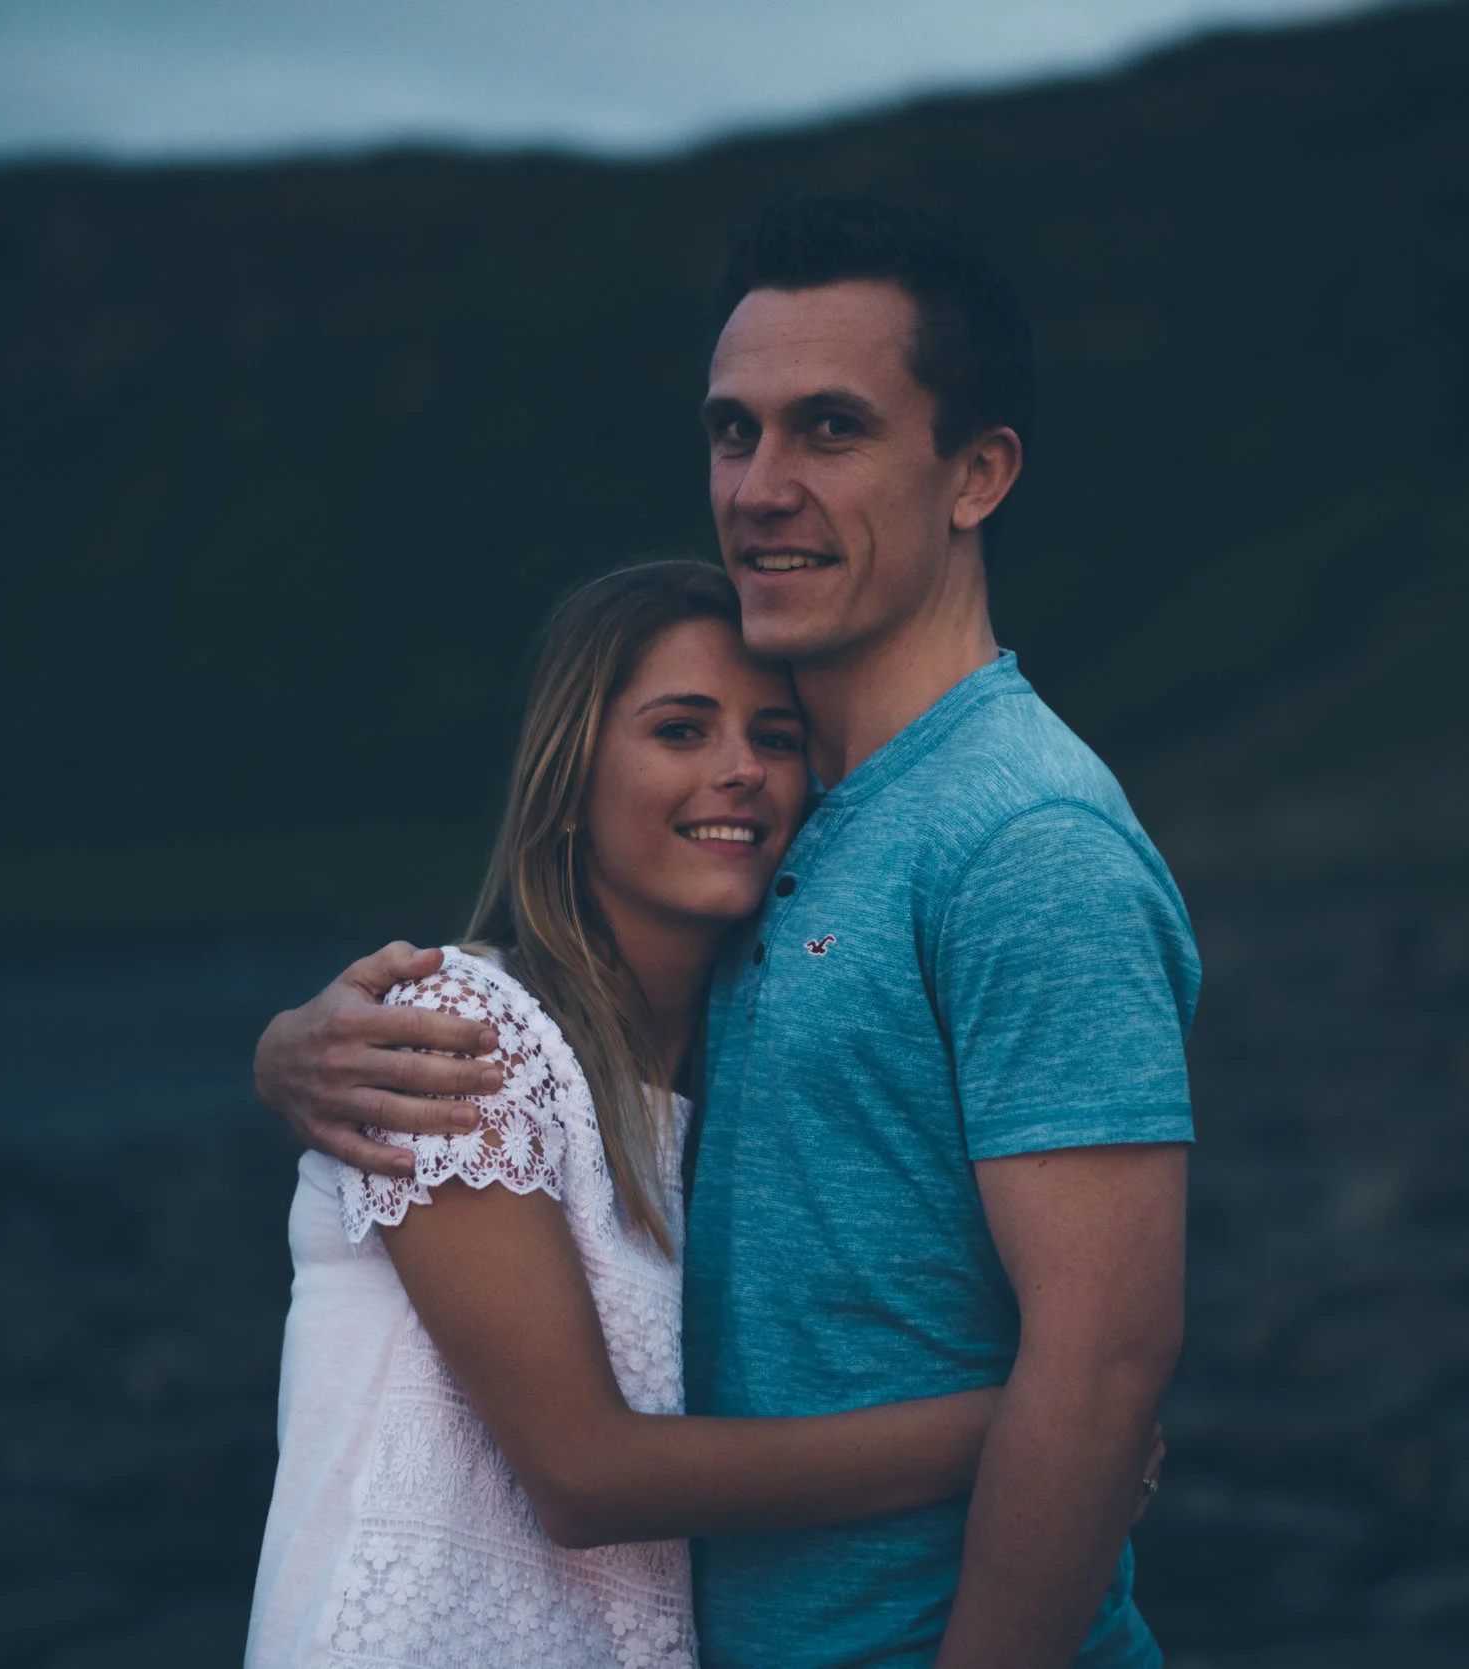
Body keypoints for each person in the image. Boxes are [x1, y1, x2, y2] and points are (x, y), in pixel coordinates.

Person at [256, 194, 1199, 1668]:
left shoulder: (1025, 842)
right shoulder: (786, 837)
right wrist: (294, 1056)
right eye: (732, 431)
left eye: (831, 429)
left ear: (978, 473)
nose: (761, 486)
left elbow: (1106, 1362)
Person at [246, 560, 1011, 1668]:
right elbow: (584, 1474)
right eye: (680, 730)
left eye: (777, 738)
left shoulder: (734, 1097)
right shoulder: (460, 1033)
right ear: (570, 780)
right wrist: (1022, 1433)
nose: (740, 770)